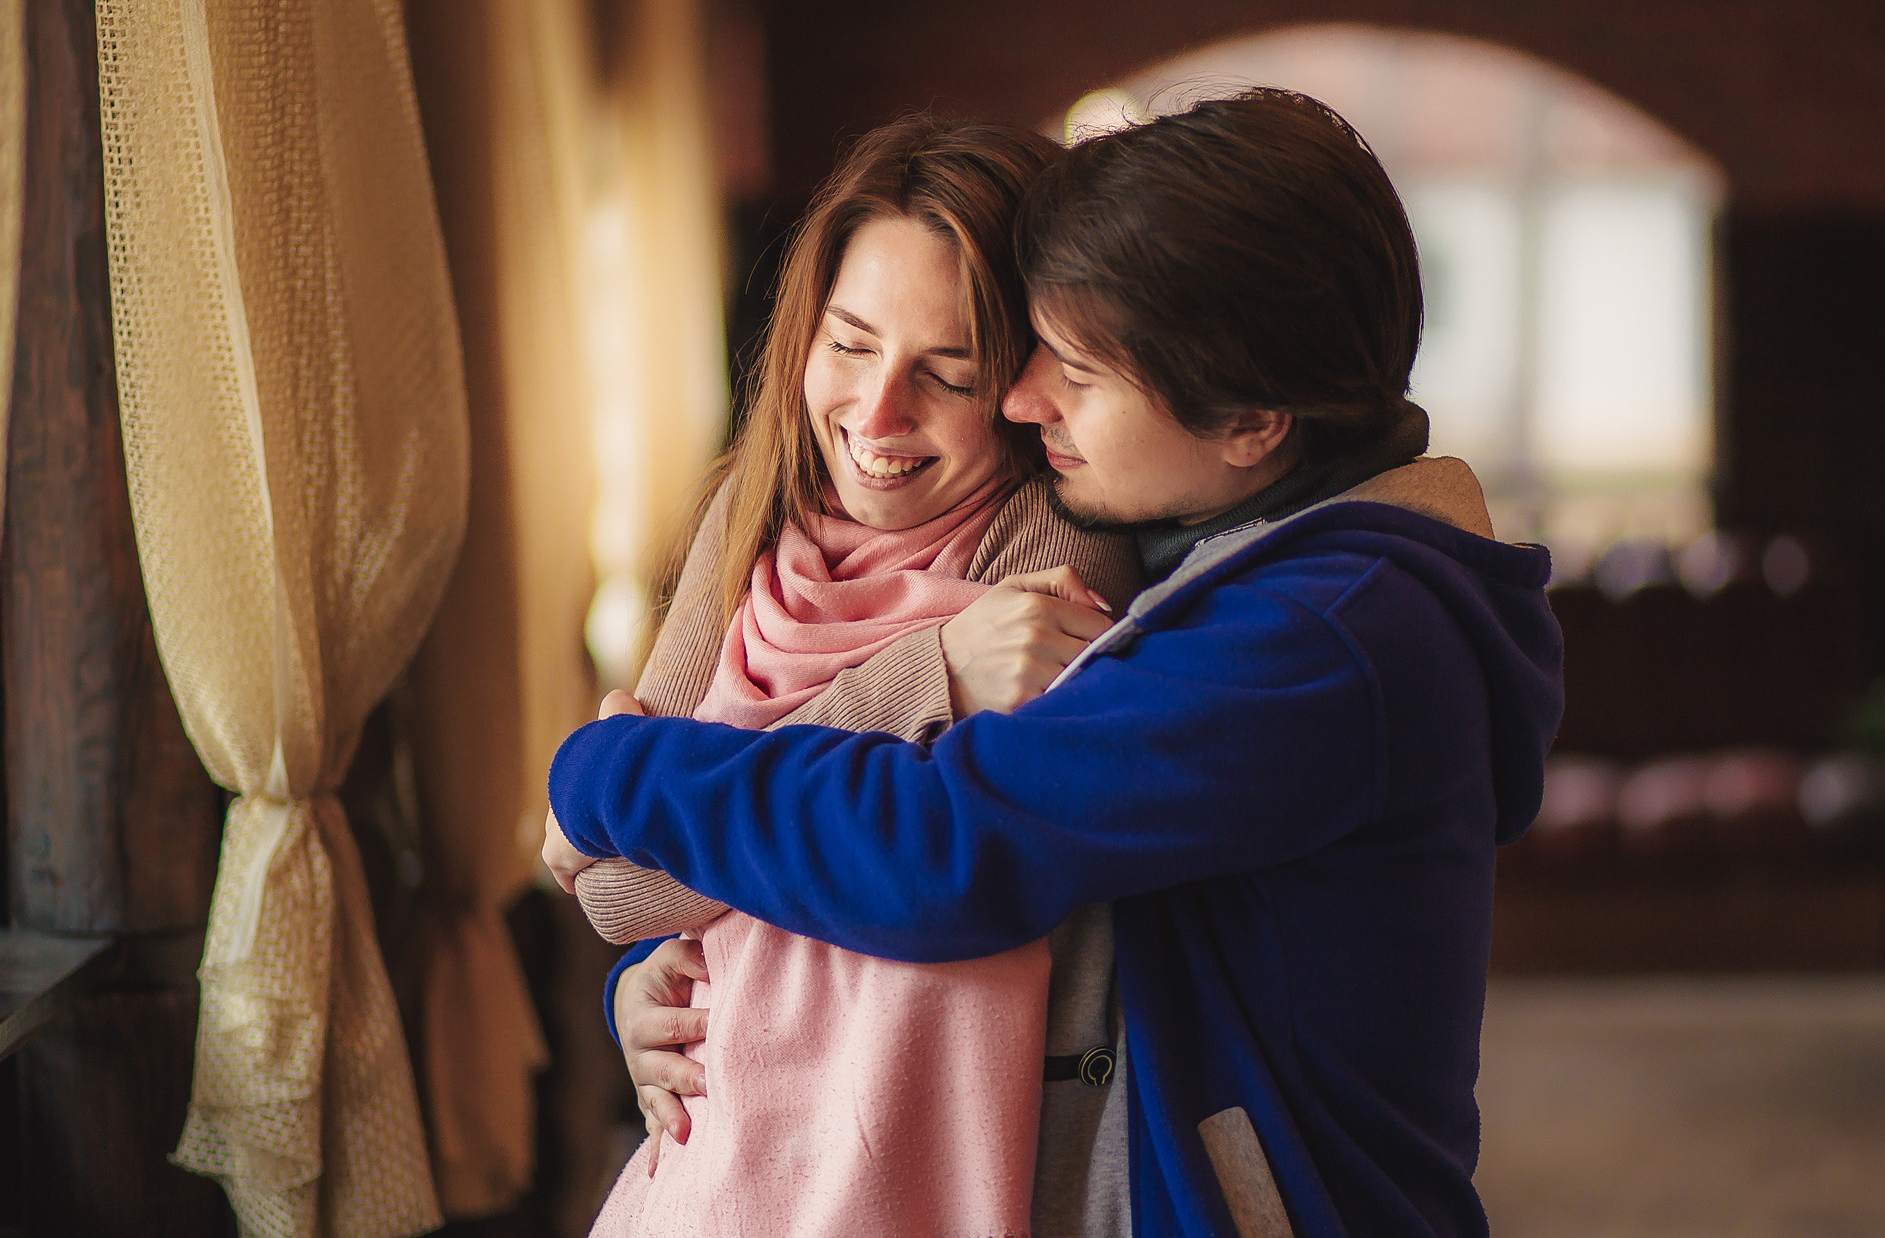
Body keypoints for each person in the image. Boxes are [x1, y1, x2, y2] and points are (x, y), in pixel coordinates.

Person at [551, 89, 1564, 1236]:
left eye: (1073, 373)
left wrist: (606, 772)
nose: (1029, 401)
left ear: (1251, 421)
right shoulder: (1259, 570)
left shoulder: (1313, 642)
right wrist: (667, 978)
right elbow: (677, 896)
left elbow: (942, 849)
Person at [542, 114, 1146, 1236]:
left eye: (947, 372)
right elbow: (624, 895)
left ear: (1022, 385)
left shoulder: (1051, 554)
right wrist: (929, 674)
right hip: (717, 1164)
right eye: (851, 342)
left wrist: (650, 795)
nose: (875, 416)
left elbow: (907, 866)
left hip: (901, 1175)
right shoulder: (752, 509)